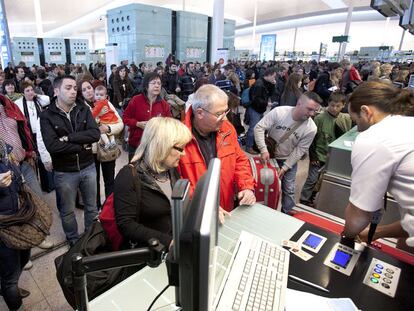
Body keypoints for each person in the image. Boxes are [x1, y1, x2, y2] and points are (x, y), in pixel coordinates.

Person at [340, 81, 414, 250]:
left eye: (356, 121)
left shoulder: (374, 138)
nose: (358, 129)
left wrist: (347, 236)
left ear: (366, 112)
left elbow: (359, 215)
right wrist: (378, 232)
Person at [178, 84, 256, 220]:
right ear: (200, 113)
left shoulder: (227, 129)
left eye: (226, 112)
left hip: (225, 208)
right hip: (196, 214)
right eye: (219, 114)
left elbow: (239, 160)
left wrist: (246, 187)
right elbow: (178, 184)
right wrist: (204, 205)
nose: (225, 118)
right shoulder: (178, 138)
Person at [40, 75, 100, 245]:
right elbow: (52, 146)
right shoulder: (47, 116)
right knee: (67, 211)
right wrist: (81, 145)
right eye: (68, 88)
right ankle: (73, 240)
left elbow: (95, 134)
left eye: (75, 88)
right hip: (65, 171)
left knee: (92, 207)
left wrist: (68, 138)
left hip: (88, 166)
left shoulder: (83, 108)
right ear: (56, 91)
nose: (73, 91)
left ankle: (90, 237)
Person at [114, 117, 191, 250]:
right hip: (148, 255)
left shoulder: (171, 170)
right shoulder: (128, 176)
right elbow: (126, 225)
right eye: (180, 148)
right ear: (162, 146)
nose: (183, 154)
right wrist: (169, 242)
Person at [254, 91, 322, 214]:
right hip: (269, 156)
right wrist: (263, 149)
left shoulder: (311, 128)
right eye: (309, 109)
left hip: (288, 159)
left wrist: (285, 167)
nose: (312, 114)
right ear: (299, 103)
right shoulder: (279, 112)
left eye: (314, 111)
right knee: (264, 186)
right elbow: (259, 127)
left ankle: (287, 215)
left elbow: (300, 150)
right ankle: (262, 212)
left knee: (289, 190)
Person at [300, 92, 352, 206]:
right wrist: (313, 156)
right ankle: (304, 199)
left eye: (338, 106)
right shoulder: (320, 118)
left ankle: (313, 197)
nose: (334, 108)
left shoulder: (346, 118)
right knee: (312, 179)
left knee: (324, 180)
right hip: (319, 155)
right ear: (328, 103)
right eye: (332, 105)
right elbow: (311, 139)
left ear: (343, 105)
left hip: (334, 157)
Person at [78, 80, 124, 208]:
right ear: (80, 93)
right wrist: (98, 118)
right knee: (93, 182)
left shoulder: (105, 102)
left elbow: (120, 123)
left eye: (89, 88)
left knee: (109, 180)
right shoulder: (79, 107)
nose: (88, 91)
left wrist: (108, 128)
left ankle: (109, 208)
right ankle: (96, 208)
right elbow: (82, 127)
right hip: (90, 151)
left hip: (107, 148)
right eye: (84, 89)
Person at [0, 156, 31, 311]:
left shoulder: (2, 144)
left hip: (17, 217)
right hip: (3, 226)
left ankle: (8, 287)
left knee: (24, 256)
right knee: (9, 278)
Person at [123, 72, 172, 161]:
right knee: (134, 172)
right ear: (146, 86)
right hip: (136, 144)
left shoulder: (164, 104)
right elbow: (125, 118)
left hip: (155, 146)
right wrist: (137, 124)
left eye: (159, 83)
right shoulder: (136, 100)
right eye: (153, 83)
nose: (157, 86)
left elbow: (168, 124)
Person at [245, 67, 277, 154]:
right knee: (253, 128)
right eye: (273, 77)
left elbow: (270, 93)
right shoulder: (259, 84)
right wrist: (267, 104)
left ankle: (254, 144)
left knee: (257, 127)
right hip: (255, 109)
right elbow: (256, 99)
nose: (274, 78)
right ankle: (249, 146)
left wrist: (273, 84)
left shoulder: (266, 82)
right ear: (269, 75)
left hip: (259, 109)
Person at [91, 85, 118, 149]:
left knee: (101, 131)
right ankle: (113, 141)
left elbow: (94, 113)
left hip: (105, 120)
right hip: (111, 119)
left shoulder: (99, 103)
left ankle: (107, 142)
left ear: (106, 96)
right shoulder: (105, 101)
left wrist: (92, 113)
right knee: (109, 131)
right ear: (94, 95)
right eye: (97, 94)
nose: (99, 96)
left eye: (101, 95)